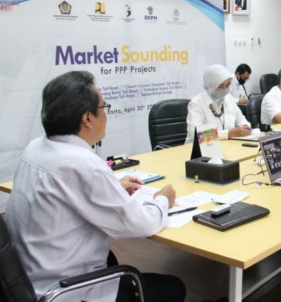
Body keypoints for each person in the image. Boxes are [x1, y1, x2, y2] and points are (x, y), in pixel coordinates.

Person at [5, 71, 186, 302]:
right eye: (104, 108)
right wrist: (162, 200)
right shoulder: (84, 165)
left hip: (30, 278)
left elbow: (67, 192)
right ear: (87, 119)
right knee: (173, 287)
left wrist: (113, 187)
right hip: (65, 291)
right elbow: (140, 224)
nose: (106, 115)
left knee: (110, 259)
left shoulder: (36, 148)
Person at [186, 64, 252, 142]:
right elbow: (197, 135)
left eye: (228, 85)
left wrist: (244, 128)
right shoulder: (196, 103)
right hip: (198, 148)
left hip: (226, 145)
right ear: (210, 85)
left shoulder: (229, 99)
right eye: (221, 86)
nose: (225, 89)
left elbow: (244, 122)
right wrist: (229, 133)